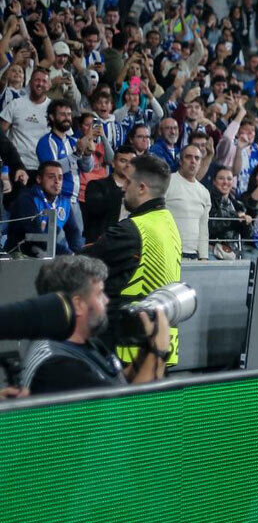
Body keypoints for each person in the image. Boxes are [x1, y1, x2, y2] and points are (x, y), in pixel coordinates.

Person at [82, 153, 181, 366]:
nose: (123, 187)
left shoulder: (131, 231)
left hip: (129, 353)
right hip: (161, 347)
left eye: (128, 181)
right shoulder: (169, 223)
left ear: (142, 187)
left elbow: (82, 267)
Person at [18, 255, 169, 395]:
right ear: (77, 305)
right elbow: (127, 418)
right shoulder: (59, 366)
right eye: (99, 294)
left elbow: (114, 383)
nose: (106, 300)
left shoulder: (84, 343)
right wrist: (158, 352)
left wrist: (146, 348)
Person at [35, 98, 94, 251]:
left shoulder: (74, 140)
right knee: (57, 245)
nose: (67, 117)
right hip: (56, 200)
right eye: (62, 114)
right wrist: (77, 153)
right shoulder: (45, 142)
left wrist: (87, 154)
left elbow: (86, 168)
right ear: (52, 117)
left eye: (69, 114)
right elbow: (51, 171)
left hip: (73, 200)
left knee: (79, 243)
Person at [4, 161, 72, 256]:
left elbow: (74, 233)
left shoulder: (64, 202)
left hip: (48, 252)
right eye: (51, 177)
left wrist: (78, 255)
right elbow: (35, 236)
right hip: (20, 254)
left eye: (60, 178)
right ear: (39, 179)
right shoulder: (26, 199)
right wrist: (67, 253)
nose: (57, 181)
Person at [166, 143, 212, 260]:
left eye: (197, 158)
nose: (193, 161)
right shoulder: (166, 182)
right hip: (168, 253)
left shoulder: (204, 192)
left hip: (193, 256)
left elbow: (203, 228)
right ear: (181, 161)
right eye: (188, 157)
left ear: (200, 163)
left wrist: (204, 257)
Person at [83, 148, 133, 243]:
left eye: (132, 162)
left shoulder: (139, 190)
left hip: (128, 241)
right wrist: (121, 191)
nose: (128, 165)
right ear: (113, 163)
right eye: (123, 161)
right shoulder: (96, 185)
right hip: (102, 243)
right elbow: (95, 209)